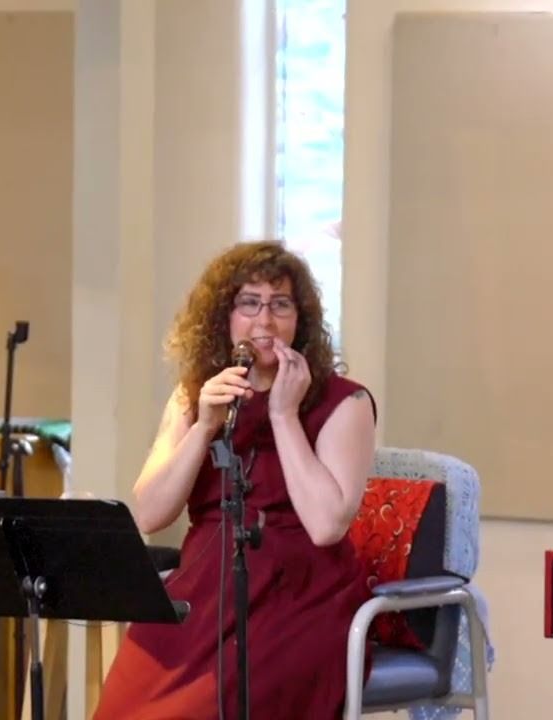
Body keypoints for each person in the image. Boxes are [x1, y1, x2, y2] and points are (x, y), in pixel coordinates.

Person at [93, 240, 377, 719]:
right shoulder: (194, 397)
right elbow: (149, 513)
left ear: (299, 320)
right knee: (127, 706)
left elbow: (327, 525)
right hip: (206, 581)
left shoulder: (345, 402)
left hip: (302, 593)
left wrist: (284, 415)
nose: (264, 321)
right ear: (224, 317)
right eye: (249, 303)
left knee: (205, 708)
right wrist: (203, 425)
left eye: (280, 304)